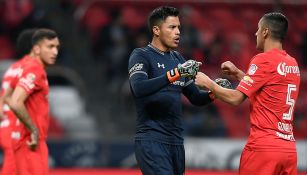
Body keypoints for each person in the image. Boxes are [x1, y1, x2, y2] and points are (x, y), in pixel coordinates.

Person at [195, 12, 300, 175]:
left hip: (263, 148)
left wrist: (209, 83)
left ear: (265, 32)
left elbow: (236, 98)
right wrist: (239, 74)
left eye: (258, 29)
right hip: (288, 149)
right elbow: (268, 88)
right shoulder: (292, 64)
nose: (256, 33)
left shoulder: (262, 59)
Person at [128, 6, 226, 175]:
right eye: (172, 27)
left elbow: (195, 97)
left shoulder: (178, 59)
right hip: (152, 139)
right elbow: (138, 88)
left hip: (176, 142)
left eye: (179, 27)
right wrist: (175, 74)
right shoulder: (141, 55)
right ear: (156, 30)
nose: (178, 32)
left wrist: (214, 91)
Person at [6, 28, 60, 175]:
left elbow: (6, 96)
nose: (55, 52)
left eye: (57, 47)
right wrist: (33, 130)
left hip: (23, 141)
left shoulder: (25, 68)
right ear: (36, 49)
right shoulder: (34, 70)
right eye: (50, 47)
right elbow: (15, 102)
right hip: (30, 143)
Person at [0, 28, 36, 175]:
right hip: (16, 129)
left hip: (7, 126)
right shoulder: (31, 70)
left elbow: (4, 97)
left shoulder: (14, 68)